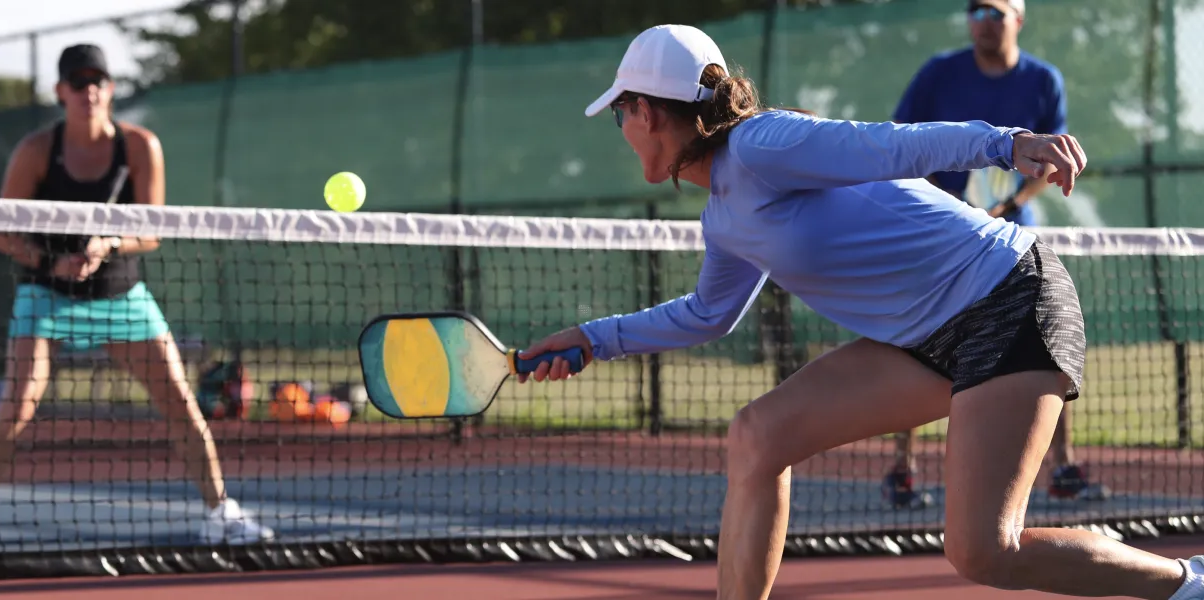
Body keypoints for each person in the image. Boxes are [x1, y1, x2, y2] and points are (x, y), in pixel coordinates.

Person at [516, 24, 1204, 600]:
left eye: (620, 112)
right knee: (759, 435)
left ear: (648, 111)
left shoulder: (763, 143)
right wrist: (592, 339)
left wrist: (1005, 142)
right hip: (922, 338)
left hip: (1009, 297)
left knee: (985, 552)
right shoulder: (724, 218)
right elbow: (708, 315)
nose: (621, 127)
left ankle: (1186, 582)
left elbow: (888, 146)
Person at [0, 43, 274, 553]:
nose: (89, 90)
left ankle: (219, 513)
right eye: (78, 82)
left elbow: (153, 231)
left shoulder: (140, 146)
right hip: (46, 294)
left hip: (121, 294)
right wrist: (49, 262)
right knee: (16, 406)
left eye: (98, 80)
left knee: (182, 405)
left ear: (111, 89)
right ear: (61, 93)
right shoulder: (36, 151)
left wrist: (110, 242)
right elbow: (1, 233)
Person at [883, 0, 1107, 509]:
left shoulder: (1044, 80)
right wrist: (943, 206)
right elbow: (901, 142)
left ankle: (1062, 466)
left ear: (1018, 19)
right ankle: (902, 468)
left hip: (1011, 247)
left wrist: (1007, 203)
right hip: (941, 235)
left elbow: (1051, 162)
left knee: (1046, 346)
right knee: (912, 340)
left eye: (995, 12)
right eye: (975, 11)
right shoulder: (939, 73)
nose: (983, 21)